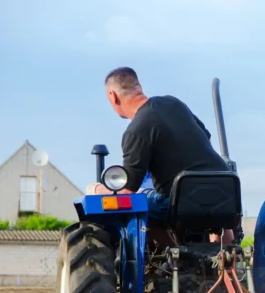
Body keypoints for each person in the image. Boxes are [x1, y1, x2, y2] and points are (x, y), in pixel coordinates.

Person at [90, 67, 234, 244]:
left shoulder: (136, 131)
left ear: (113, 96)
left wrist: (97, 189)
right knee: (218, 207)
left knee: (140, 203)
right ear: (139, 87)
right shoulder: (174, 103)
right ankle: (227, 259)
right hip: (226, 190)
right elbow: (207, 139)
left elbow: (127, 191)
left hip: (180, 203)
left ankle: (175, 257)